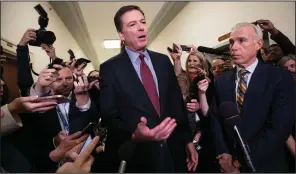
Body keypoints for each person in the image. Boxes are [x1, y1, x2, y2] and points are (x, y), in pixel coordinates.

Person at [98, 5, 198, 173]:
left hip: (172, 151)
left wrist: (188, 140)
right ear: (121, 35)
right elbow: (109, 115)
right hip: (137, 156)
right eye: (132, 24)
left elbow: (176, 105)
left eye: (143, 22)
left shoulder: (163, 61)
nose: (141, 27)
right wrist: (134, 134)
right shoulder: (110, 68)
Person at [211, 22, 295, 172]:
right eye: (231, 42)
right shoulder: (221, 81)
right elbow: (216, 118)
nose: (233, 47)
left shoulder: (279, 77)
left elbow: (279, 128)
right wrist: (224, 153)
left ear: (258, 44)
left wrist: (240, 162)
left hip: (267, 165)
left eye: (241, 40)